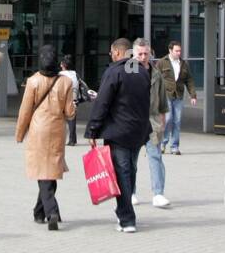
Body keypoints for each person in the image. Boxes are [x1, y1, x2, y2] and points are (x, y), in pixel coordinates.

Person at [85, 37, 152, 233]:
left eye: (111, 53)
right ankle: (125, 210)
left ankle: (127, 218)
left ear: (116, 53)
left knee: (122, 173)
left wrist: (92, 131)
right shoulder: (141, 71)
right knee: (129, 170)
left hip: (119, 131)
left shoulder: (114, 72)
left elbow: (102, 103)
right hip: (138, 131)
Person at [16, 44, 76, 230]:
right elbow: (70, 112)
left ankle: (52, 211)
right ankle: (39, 212)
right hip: (57, 130)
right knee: (50, 171)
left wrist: (19, 133)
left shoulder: (33, 81)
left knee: (43, 173)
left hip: (38, 130)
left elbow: (25, 111)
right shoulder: (65, 82)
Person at [138, 40, 170, 208]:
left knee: (155, 158)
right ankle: (131, 193)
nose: (143, 57)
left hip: (153, 121)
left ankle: (158, 193)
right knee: (130, 161)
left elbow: (163, 100)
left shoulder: (156, 74)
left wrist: (162, 122)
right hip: (133, 122)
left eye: (146, 54)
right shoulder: (128, 72)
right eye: (140, 54)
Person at [155, 40, 198, 154]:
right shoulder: (162, 62)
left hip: (178, 95)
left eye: (180, 51)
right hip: (166, 95)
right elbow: (155, 79)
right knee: (168, 119)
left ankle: (174, 146)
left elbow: (189, 80)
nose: (179, 53)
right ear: (170, 50)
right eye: (176, 51)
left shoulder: (183, 64)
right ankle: (163, 143)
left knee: (177, 121)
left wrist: (193, 95)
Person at [58, 55, 94, 146]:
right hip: (74, 99)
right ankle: (72, 140)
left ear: (63, 65)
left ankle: (60, 139)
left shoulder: (60, 75)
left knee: (59, 120)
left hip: (63, 99)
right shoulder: (75, 74)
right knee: (72, 120)